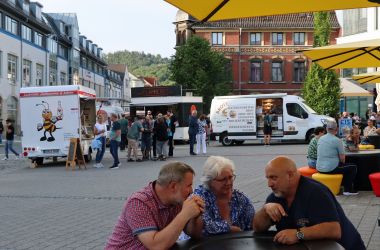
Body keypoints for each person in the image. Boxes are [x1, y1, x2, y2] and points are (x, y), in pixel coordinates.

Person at [253, 156, 365, 250]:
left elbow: (334, 230)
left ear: (290, 175)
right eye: (268, 178)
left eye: (273, 178)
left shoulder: (315, 192)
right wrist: (265, 210)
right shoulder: (278, 195)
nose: (269, 184)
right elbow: (257, 228)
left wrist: (298, 234)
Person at [105, 161, 205, 249]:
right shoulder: (138, 202)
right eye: (188, 185)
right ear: (173, 186)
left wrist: (195, 216)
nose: (191, 191)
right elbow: (156, 246)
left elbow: (194, 234)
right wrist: (184, 215)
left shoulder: (177, 200)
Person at [186, 156, 255, 238]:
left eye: (230, 177)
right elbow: (203, 228)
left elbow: (253, 227)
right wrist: (229, 229)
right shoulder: (199, 197)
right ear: (210, 181)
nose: (228, 182)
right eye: (223, 179)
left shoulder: (241, 199)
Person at [317, 120, 358, 195]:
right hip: (330, 169)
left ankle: (341, 185)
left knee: (345, 167)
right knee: (353, 167)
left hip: (319, 167)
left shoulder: (320, 138)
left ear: (326, 129)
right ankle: (347, 190)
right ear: (336, 129)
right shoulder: (337, 140)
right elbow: (342, 158)